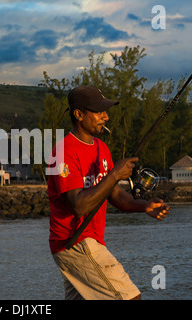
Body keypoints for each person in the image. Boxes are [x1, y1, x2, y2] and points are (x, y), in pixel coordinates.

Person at [48, 86, 170, 300]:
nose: (105, 116)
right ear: (78, 114)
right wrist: (114, 174)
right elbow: (79, 206)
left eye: (106, 110)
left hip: (90, 242)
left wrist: (145, 206)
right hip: (74, 242)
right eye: (98, 111)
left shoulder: (101, 148)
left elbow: (114, 195)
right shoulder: (62, 152)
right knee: (130, 297)